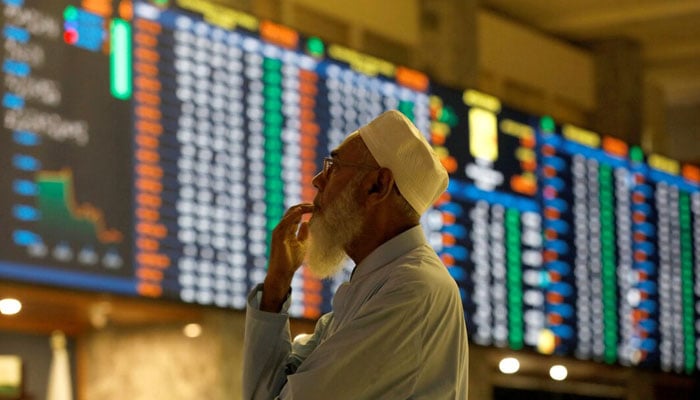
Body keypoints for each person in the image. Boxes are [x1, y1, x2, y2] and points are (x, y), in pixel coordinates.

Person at [243, 110, 469, 399]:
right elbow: (264, 394)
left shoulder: (412, 289)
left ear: (377, 186)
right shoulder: (373, 285)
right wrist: (276, 285)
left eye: (333, 167)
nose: (317, 181)